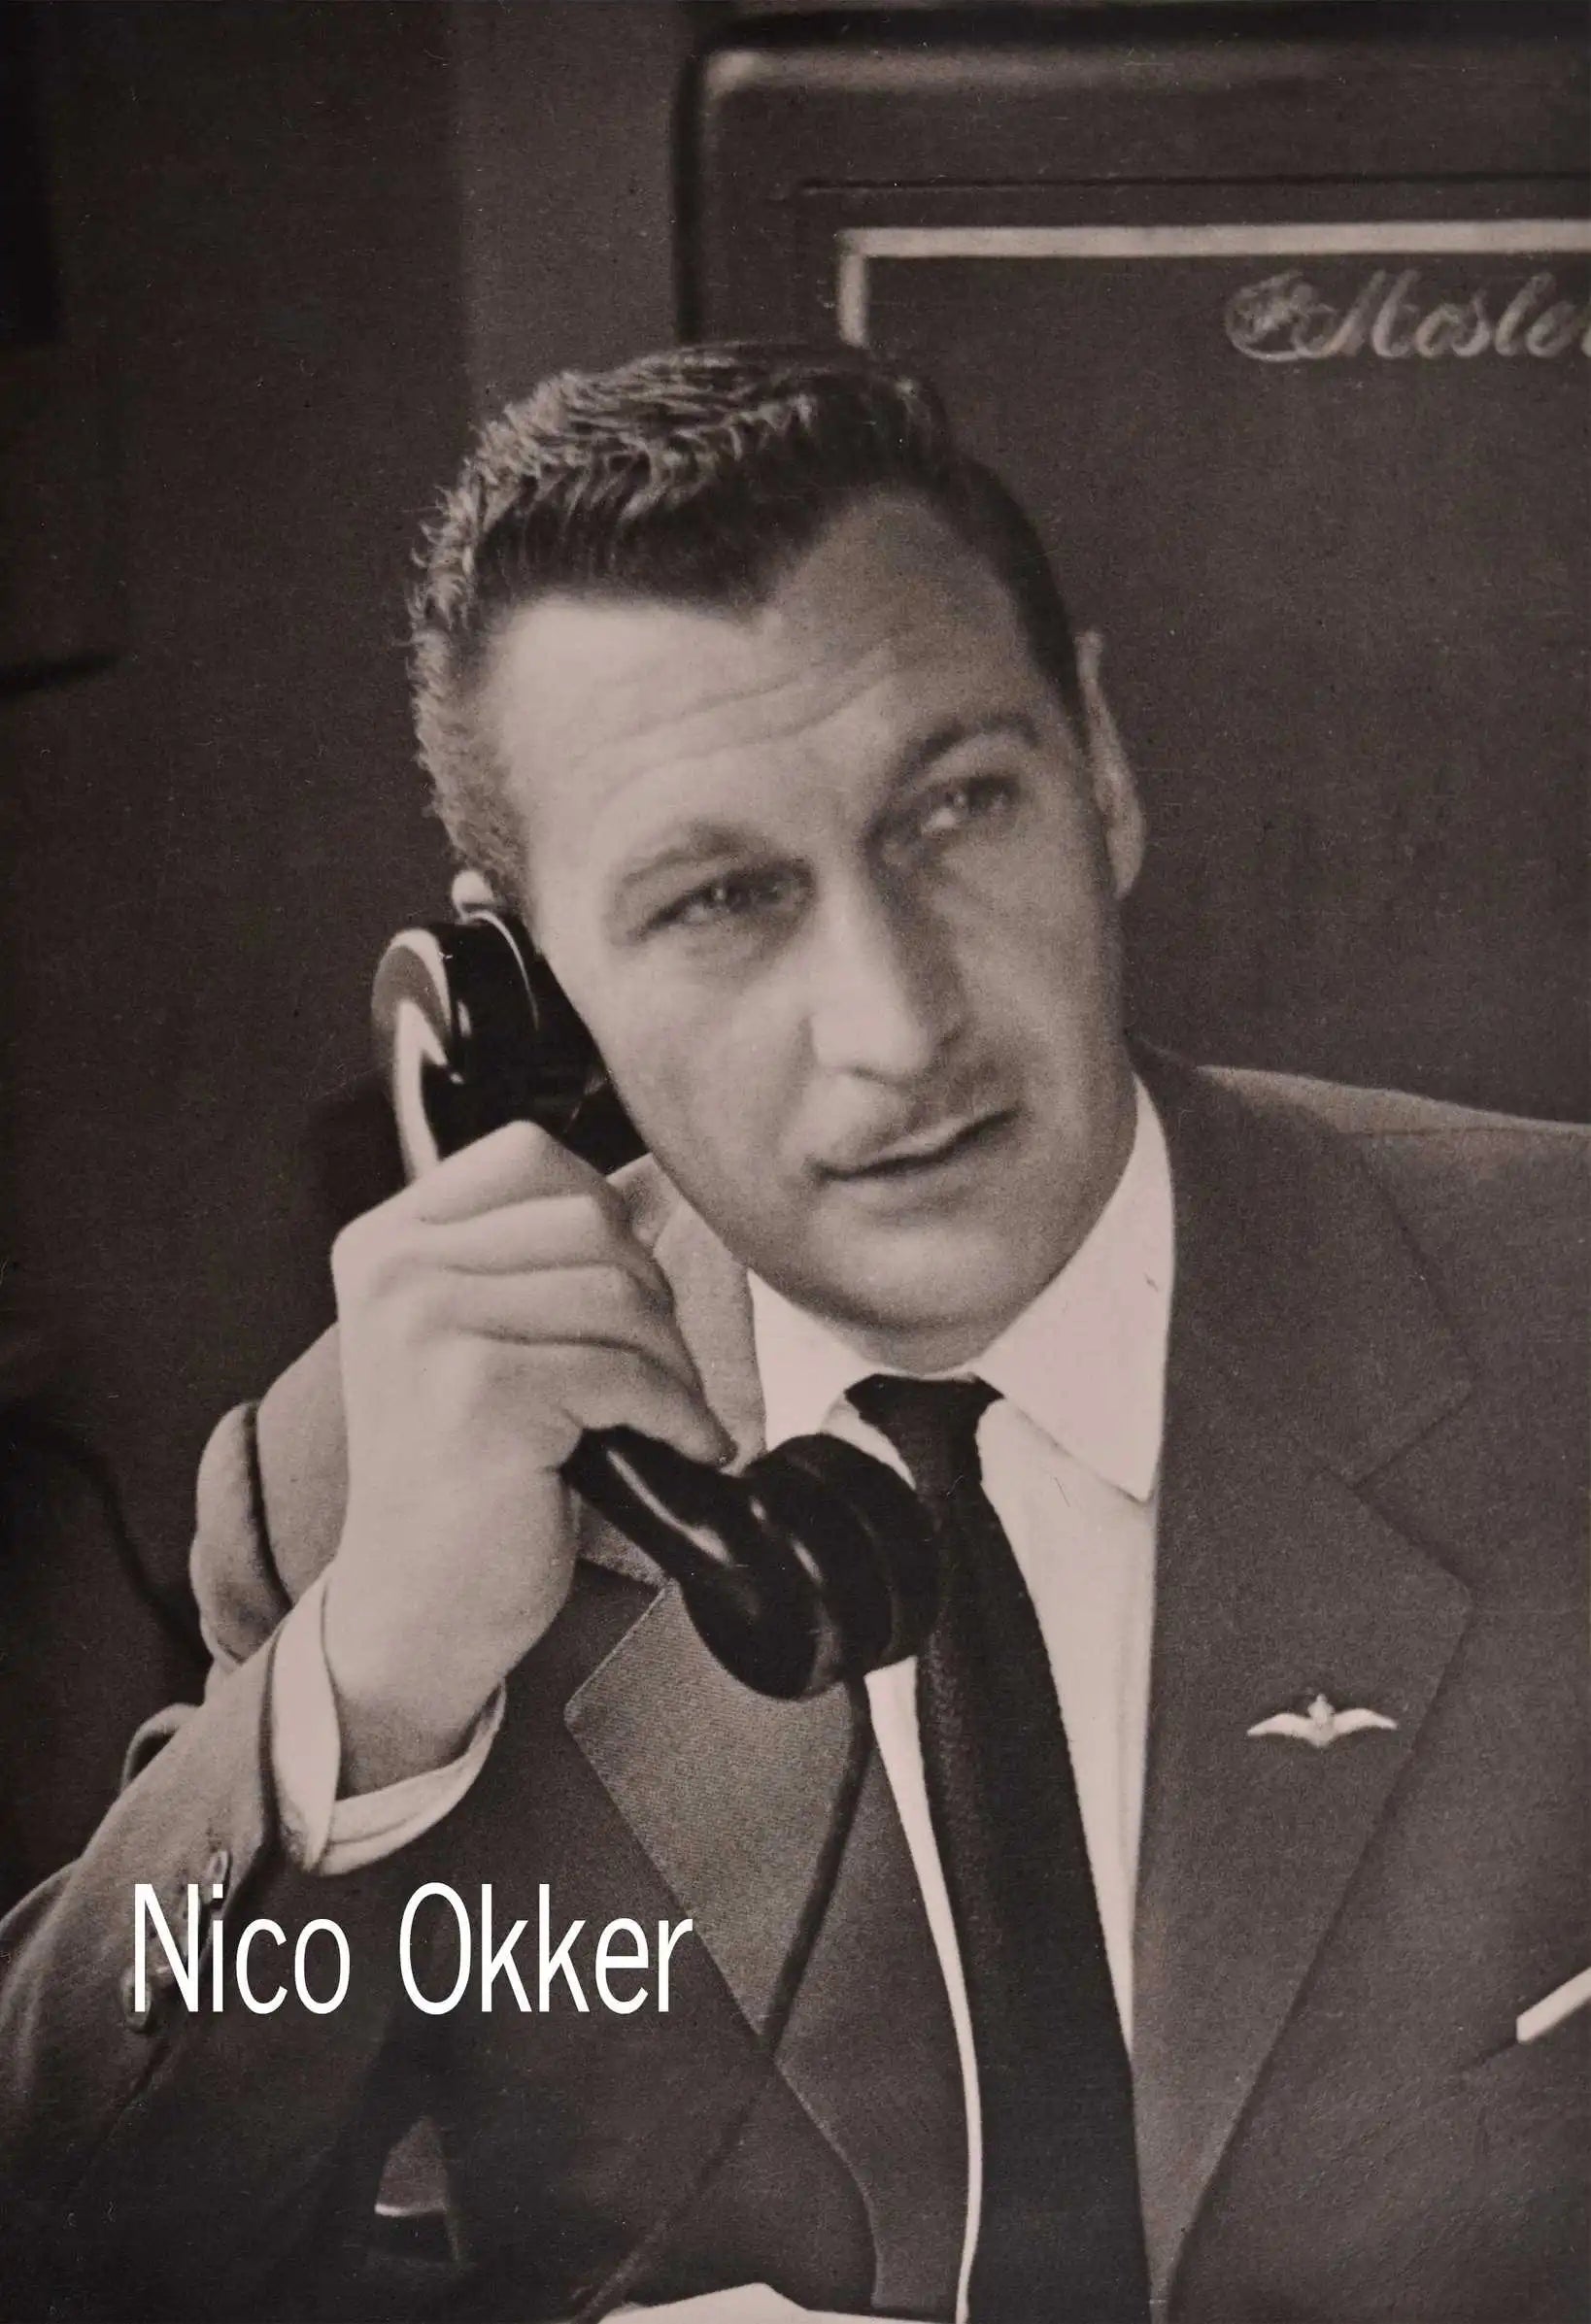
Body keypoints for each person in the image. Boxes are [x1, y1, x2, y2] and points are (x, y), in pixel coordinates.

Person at [0, 345, 1583, 2324]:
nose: (898, 1024)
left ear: (1099, 761)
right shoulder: (360, 1487)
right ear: (524, 1005)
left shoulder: (1563, 1317)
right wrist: (380, 1685)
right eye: (723, 897)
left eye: (955, 810)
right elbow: (73, 2255)